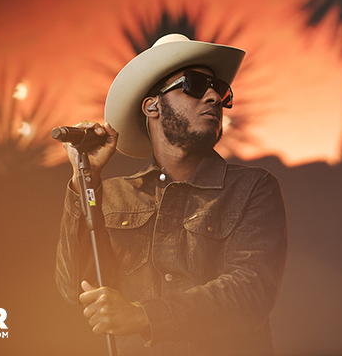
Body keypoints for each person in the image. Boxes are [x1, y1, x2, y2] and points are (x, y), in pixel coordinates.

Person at [55, 34, 287, 356]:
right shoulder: (111, 196)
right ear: (152, 106)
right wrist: (86, 180)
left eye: (218, 90)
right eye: (193, 84)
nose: (213, 97)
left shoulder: (252, 188)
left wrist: (144, 315)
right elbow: (75, 287)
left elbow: (250, 292)